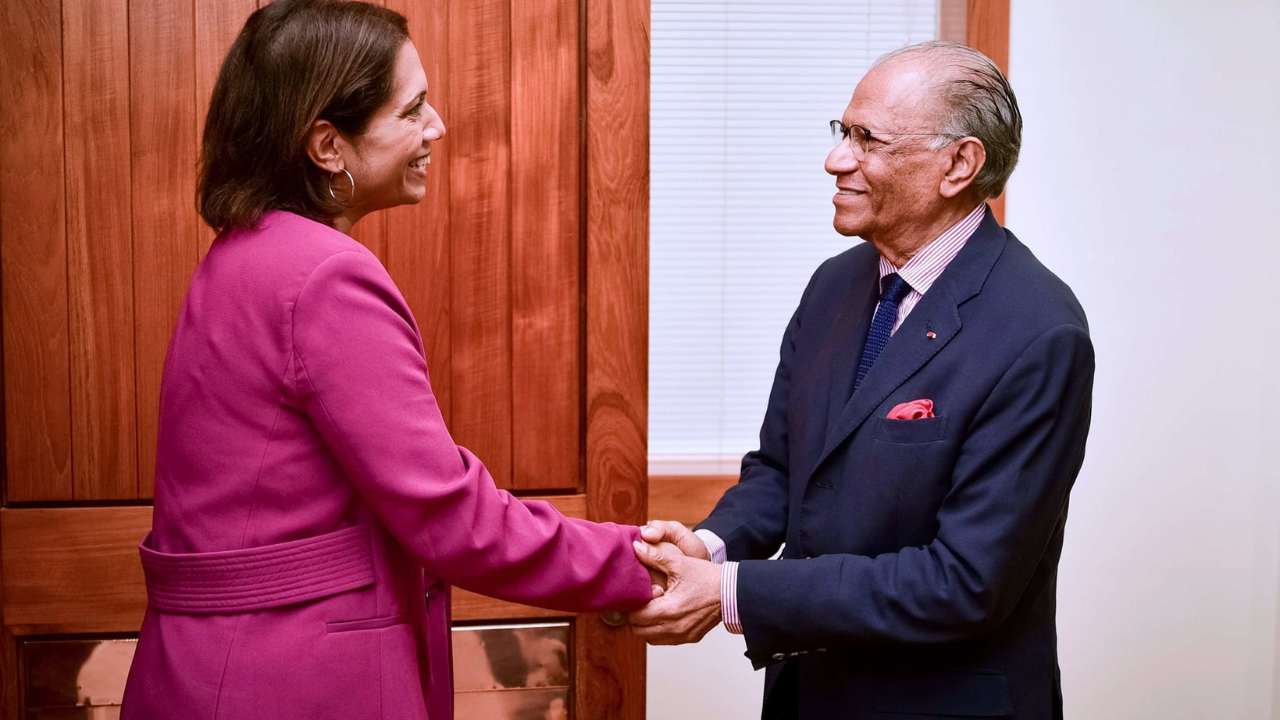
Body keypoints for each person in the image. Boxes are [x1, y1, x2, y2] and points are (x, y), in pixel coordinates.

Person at [120, 3, 657, 719]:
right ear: (327, 146)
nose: (437, 127)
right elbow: (450, 515)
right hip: (288, 682)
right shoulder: (324, 276)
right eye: (412, 110)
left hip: (207, 670)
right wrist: (639, 564)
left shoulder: (242, 255)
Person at [632, 41, 1094, 719]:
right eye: (842, 131)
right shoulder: (834, 286)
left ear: (959, 164)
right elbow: (781, 472)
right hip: (810, 696)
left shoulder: (1038, 332)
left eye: (867, 140)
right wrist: (709, 545)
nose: (836, 159)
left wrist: (732, 592)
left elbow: (964, 583)